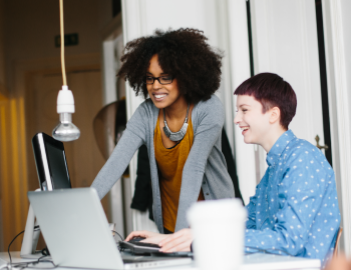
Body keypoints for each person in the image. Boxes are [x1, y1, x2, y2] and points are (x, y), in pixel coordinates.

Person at [126, 73, 341, 265]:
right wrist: (174, 238)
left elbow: (289, 240)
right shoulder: (276, 167)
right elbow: (246, 223)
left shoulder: (302, 159)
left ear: (273, 115)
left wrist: (202, 240)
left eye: (244, 110)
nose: (237, 119)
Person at [91, 28, 236, 235]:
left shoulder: (208, 108)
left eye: (165, 77)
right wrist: (83, 208)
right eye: (150, 78)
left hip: (214, 222)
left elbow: (194, 168)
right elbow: (116, 163)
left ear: (185, 75)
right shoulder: (146, 114)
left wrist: (178, 237)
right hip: (171, 223)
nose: (155, 86)